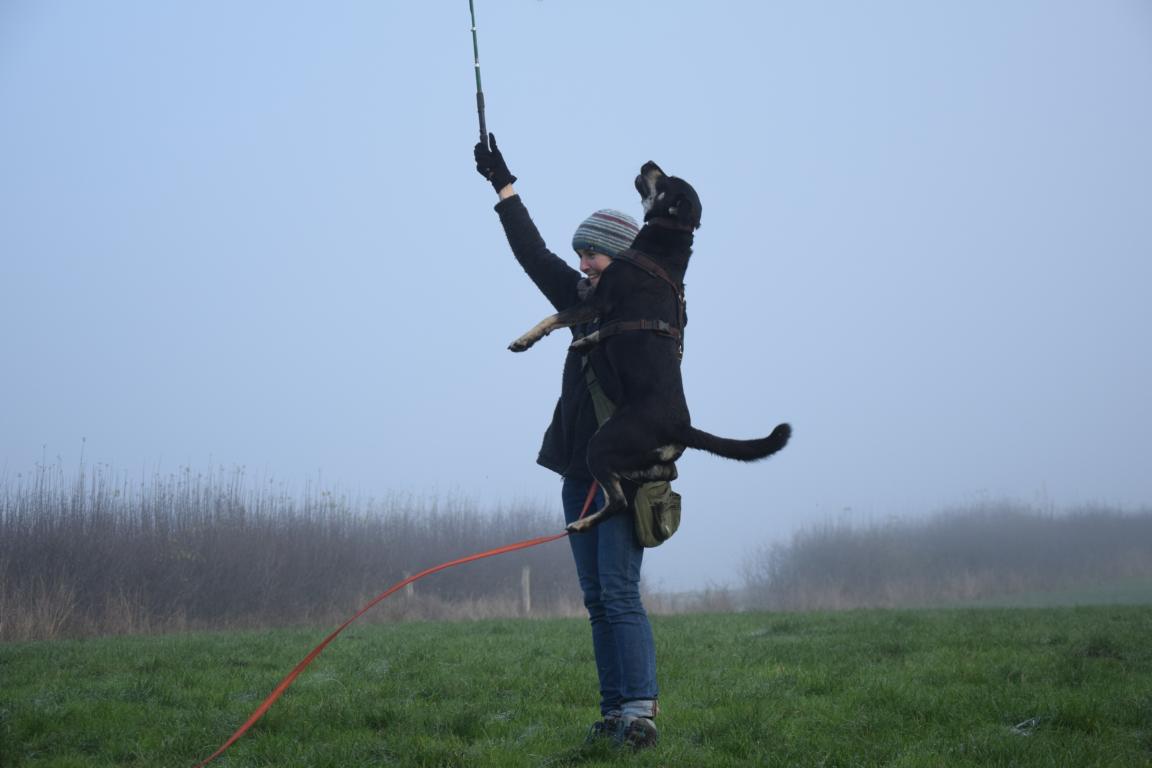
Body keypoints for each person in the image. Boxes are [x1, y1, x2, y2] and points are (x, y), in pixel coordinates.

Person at [474, 134, 660, 749]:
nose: (582, 265)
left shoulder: (646, 316)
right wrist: (504, 187)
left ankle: (640, 714)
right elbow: (531, 252)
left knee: (618, 591)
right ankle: (614, 712)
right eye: (580, 254)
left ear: (623, 260)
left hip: (623, 475)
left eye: (594, 257)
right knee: (593, 598)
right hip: (576, 473)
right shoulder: (577, 301)